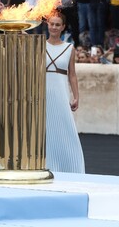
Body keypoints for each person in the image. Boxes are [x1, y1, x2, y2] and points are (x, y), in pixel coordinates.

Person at [45, 12, 85, 174]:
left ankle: (73, 167)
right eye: (51, 24)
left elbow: (72, 75)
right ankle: (48, 166)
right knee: (46, 130)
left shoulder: (69, 48)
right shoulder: (38, 44)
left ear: (63, 27)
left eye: (57, 25)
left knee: (65, 128)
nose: (54, 27)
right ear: (47, 25)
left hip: (61, 93)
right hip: (43, 93)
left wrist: (76, 96)